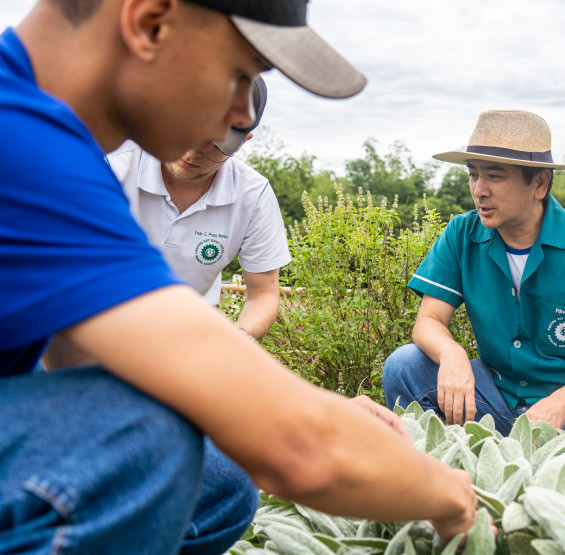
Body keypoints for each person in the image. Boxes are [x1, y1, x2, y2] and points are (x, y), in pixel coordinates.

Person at [0, 1, 480, 553]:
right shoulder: (26, 149)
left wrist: (282, 407)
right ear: (151, 23)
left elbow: (87, 365)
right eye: (240, 73)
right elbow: (297, 454)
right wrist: (446, 492)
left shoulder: (46, 137)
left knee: (220, 481)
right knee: (148, 436)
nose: (235, 117)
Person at [382, 109, 565, 439]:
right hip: (495, 395)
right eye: (473, 174)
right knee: (405, 365)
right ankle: (433, 464)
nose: (479, 190)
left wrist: (560, 403)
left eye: (495, 176)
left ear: (539, 183)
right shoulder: (461, 234)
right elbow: (429, 320)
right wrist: (451, 353)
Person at [109, 75, 289, 341]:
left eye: (214, 145)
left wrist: (238, 340)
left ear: (243, 141)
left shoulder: (253, 195)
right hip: (92, 319)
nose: (192, 152)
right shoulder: (112, 165)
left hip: (184, 336)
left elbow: (263, 293)